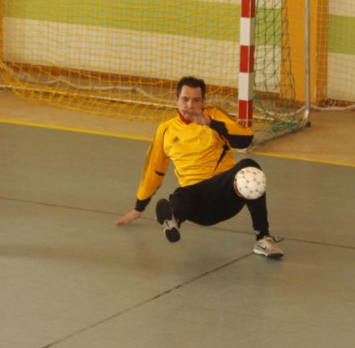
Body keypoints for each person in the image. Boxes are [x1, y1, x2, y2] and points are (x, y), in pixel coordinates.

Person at [116, 76, 284, 258]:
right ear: (176, 100)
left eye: (196, 100)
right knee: (182, 194)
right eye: (185, 99)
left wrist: (212, 124)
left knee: (250, 168)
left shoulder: (214, 116)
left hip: (227, 193)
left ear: (204, 101)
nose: (190, 105)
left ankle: (263, 238)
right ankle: (172, 220)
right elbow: (154, 170)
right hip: (198, 205)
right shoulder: (166, 130)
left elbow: (245, 139)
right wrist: (139, 206)